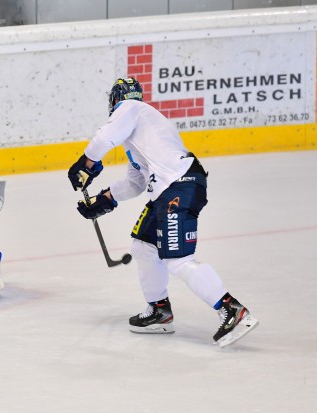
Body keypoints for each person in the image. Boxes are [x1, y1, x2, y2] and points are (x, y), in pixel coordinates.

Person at [67, 77, 259, 347]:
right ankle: (159, 311)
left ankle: (231, 309)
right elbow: (136, 183)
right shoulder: (141, 134)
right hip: (170, 190)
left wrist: (86, 164)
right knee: (144, 246)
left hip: (178, 188)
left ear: (115, 100)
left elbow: (103, 138)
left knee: (178, 260)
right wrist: (103, 199)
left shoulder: (131, 108)